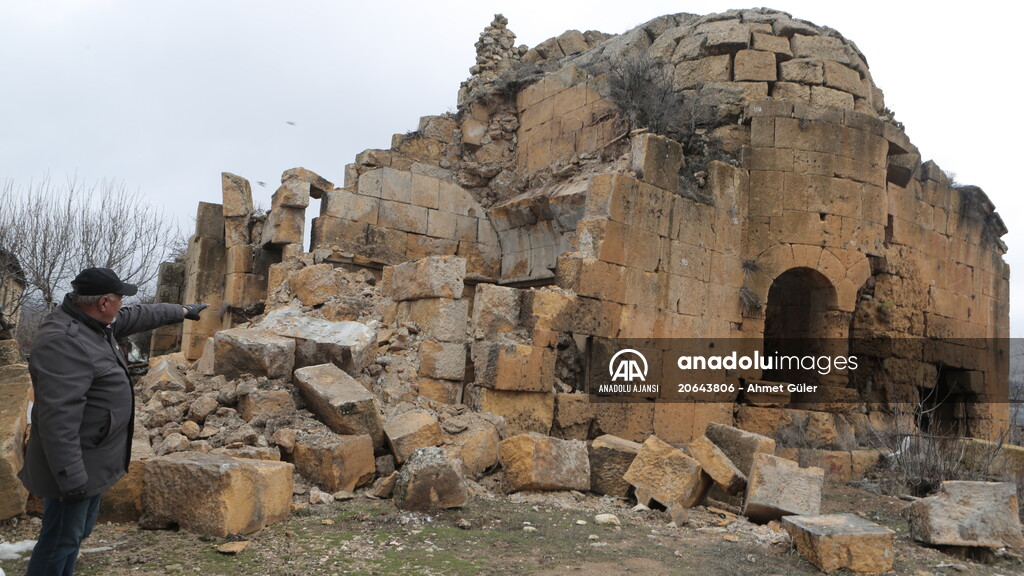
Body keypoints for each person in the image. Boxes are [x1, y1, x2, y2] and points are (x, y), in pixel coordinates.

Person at [18, 267, 207, 576]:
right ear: (103, 302)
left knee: (74, 536)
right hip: (73, 465)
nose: (123, 304)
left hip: (92, 458)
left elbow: (138, 315)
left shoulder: (95, 322)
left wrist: (183, 311)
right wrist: (72, 478)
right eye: (119, 298)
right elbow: (57, 419)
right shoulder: (64, 341)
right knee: (59, 541)